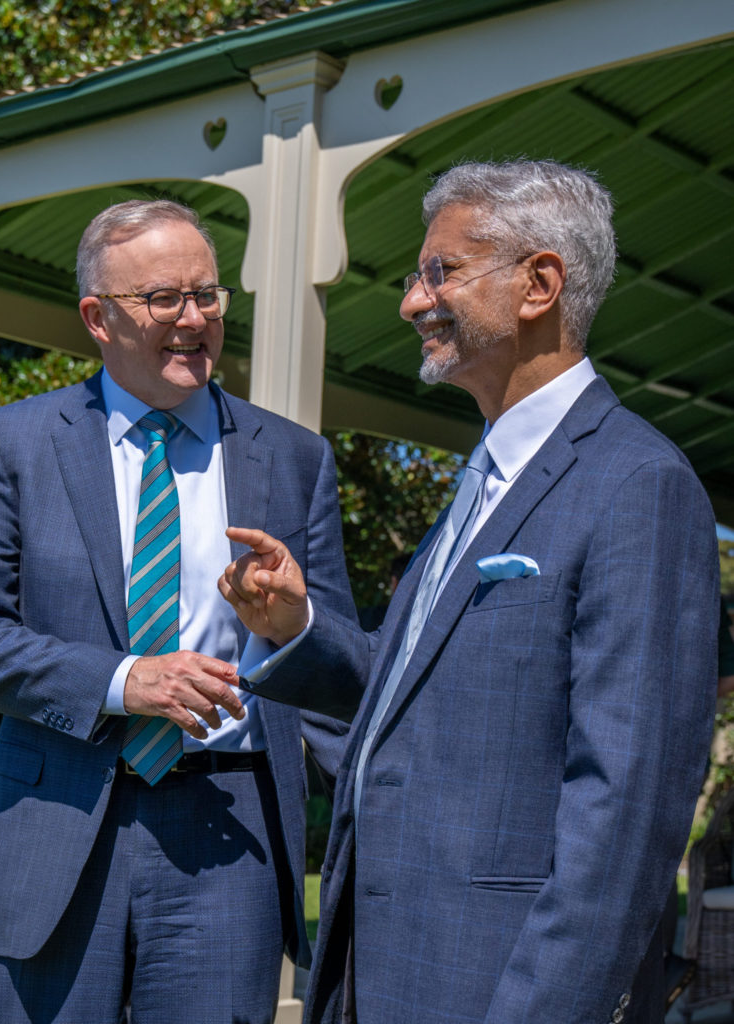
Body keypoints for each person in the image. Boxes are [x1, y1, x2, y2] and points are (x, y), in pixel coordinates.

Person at [218, 160, 720, 1024]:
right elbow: (421, 706)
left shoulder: (639, 484)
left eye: (439, 271)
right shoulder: (485, 479)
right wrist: (298, 631)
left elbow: (625, 811)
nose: (412, 302)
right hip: (383, 972)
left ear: (539, 284)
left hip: (496, 988)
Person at [0, 199, 355, 1024]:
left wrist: (297, 632)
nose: (193, 319)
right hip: (59, 821)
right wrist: (125, 681)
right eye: (163, 298)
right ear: (98, 317)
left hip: (230, 835)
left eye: (207, 294)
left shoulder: (295, 457)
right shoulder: (15, 443)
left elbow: (338, 673)